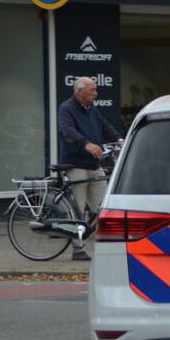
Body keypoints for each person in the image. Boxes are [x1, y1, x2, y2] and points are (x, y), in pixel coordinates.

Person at [57, 76, 123, 261]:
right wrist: (85, 143)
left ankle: (108, 246)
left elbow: (104, 126)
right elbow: (67, 130)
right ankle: (78, 249)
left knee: (104, 206)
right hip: (76, 163)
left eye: (95, 90)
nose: (96, 93)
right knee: (78, 208)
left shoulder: (91, 108)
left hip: (94, 164)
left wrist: (119, 139)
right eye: (92, 90)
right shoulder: (67, 108)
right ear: (79, 92)